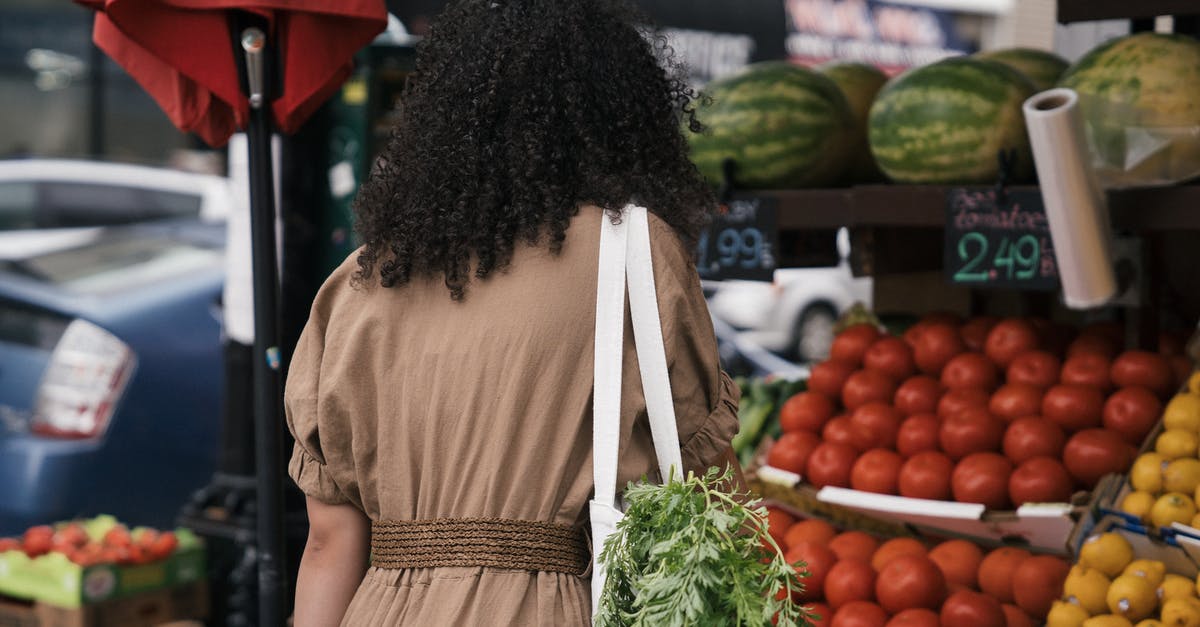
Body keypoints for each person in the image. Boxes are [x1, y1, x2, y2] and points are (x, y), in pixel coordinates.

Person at [285, 0, 742, 624]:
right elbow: (713, 495)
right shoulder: (633, 255)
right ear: (620, 122)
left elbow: (327, 542)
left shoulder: (357, 283)